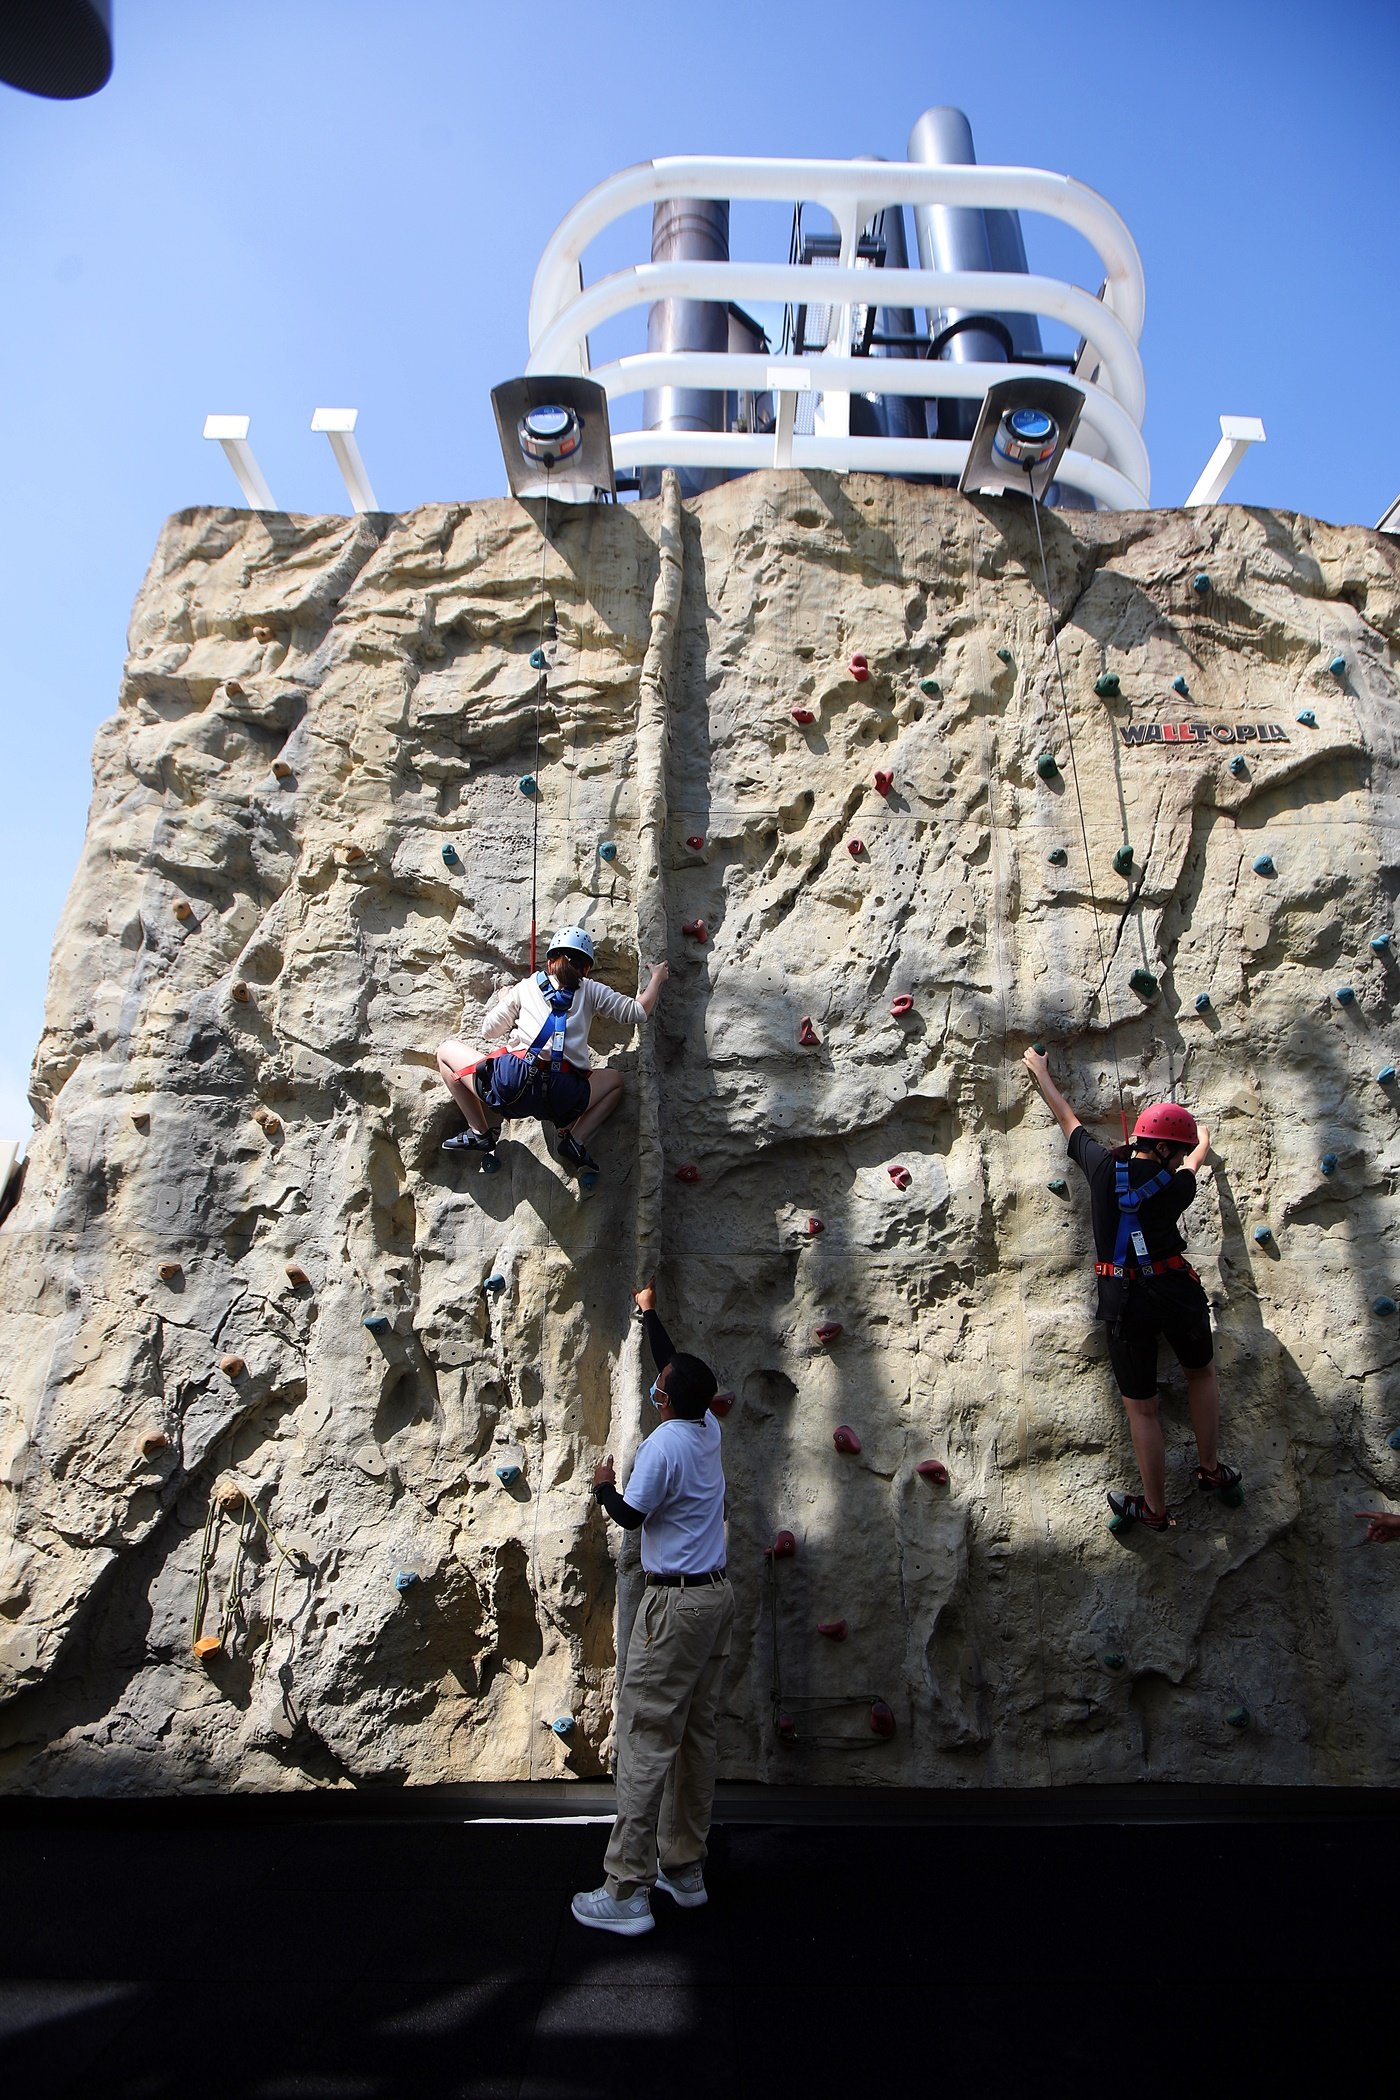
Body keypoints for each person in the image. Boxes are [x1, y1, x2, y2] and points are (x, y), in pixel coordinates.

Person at [1021, 1045, 1241, 1533]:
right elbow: (1193, 1162)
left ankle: (1156, 1509)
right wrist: (1202, 1138)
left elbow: (1067, 1118)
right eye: (1177, 1150)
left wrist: (1041, 1072)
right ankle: (1209, 1468)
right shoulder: (1175, 1183)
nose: (1180, 1157)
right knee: (1201, 1376)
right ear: (1166, 1150)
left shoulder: (1101, 1166)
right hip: (1176, 1291)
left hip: (1124, 1301)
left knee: (1142, 1409)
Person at [571, 1282, 733, 1938]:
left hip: (675, 1609)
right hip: (716, 1598)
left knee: (644, 1740)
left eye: (660, 1385)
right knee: (696, 1736)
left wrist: (605, 1486)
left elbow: (633, 1518)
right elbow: (679, 1366)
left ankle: (627, 1887)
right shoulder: (707, 1425)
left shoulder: (665, 1446)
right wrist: (648, 1317)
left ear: (668, 1400)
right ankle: (685, 1870)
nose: (656, 1387)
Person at [436, 926, 667, 1180]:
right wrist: (656, 978)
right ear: (586, 968)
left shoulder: (526, 986)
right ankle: (575, 1140)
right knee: (614, 1082)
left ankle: (479, 1131)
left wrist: (508, 998)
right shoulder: (591, 989)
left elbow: (488, 1031)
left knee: (445, 1051)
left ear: (550, 961)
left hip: (512, 1085)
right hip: (563, 1098)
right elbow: (638, 1012)